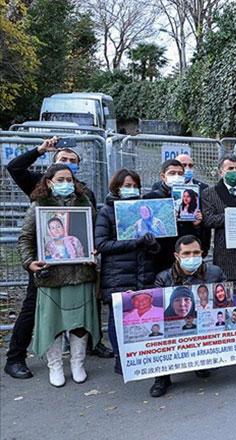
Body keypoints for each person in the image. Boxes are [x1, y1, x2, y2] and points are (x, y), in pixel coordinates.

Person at [5, 137, 114, 378]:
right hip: (46, 267)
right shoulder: (38, 190)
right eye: (63, 160)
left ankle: (88, 350)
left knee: (82, 311)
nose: (68, 166)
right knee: (36, 310)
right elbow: (14, 168)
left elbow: (90, 229)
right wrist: (40, 149)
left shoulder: (85, 194)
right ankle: (15, 358)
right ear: (51, 173)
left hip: (78, 267)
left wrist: (92, 249)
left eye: (72, 163)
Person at [17, 164, 99, 387]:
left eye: (69, 179)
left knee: (79, 322)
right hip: (51, 278)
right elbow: (25, 238)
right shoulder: (38, 207)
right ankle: (55, 366)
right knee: (53, 322)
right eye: (60, 179)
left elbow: (95, 235)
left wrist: (94, 252)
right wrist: (29, 262)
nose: (66, 184)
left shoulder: (85, 205)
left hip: (81, 275)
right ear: (49, 182)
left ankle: (77, 363)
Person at [95, 169, 160, 374]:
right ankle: (120, 358)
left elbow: (157, 244)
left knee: (144, 315)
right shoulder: (106, 212)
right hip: (118, 273)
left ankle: (140, 356)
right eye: (126, 186)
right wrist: (134, 242)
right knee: (118, 317)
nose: (131, 189)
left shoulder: (146, 209)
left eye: (134, 186)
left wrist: (152, 244)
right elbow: (102, 244)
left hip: (144, 271)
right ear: (116, 188)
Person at [150, 235, 225, 397]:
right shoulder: (164, 278)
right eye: (186, 254)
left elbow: (227, 297)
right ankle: (162, 377)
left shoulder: (215, 272)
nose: (192, 257)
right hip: (174, 324)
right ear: (177, 256)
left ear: (202, 253)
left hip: (204, 322)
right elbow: (155, 308)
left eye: (196, 253)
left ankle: (201, 363)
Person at [143, 159, 210, 273]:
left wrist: (197, 225)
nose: (177, 176)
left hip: (186, 254)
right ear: (163, 176)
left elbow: (204, 233)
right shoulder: (152, 198)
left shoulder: (193, 196)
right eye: (172, 173)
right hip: (161, 256)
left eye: (180, 173)